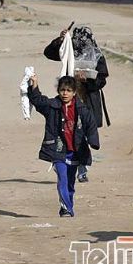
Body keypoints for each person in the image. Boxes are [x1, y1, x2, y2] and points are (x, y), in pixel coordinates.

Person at [43, 25, 109, 182]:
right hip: (68, 101)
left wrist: (88, 80)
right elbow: (49, 53)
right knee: (66, 132)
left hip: (88, 102)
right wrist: (60, 40)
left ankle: (82, 168)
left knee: (83, 135)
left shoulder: (96, 55)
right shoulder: (69, 51)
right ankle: (64, 163)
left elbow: (101, 80)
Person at [28, 74, 99, 217]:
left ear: (74, 92)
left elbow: (91, 125)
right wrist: (34, 83)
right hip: (58, 150)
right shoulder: (52, 106)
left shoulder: (82, 109)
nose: (65, 93)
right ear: (58, 91)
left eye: (68, 90)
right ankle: (66, 209)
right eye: (62, 90)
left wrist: (93, 142)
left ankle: (67, 206)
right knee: (62, 178)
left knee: (70, 183)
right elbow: (38, 101)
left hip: (75, 151)